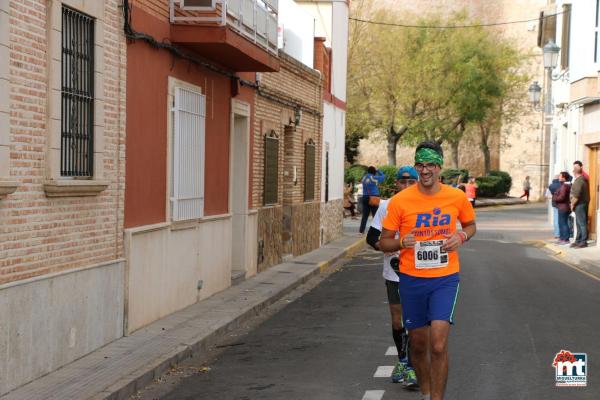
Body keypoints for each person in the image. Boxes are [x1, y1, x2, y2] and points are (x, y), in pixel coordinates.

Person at [379, 141, 476, 400]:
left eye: (430, 165)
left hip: (445, 278)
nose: (425, 170)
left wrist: (461, 237)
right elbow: (383, 242)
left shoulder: (456, 197)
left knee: (438, 343)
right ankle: (425, 392)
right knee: (419, 346)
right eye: (420, 165)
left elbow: (470, 225)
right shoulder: (400, 201)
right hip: (411, 280)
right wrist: (401, 242)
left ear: (439, 167)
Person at [366, 166, 419, 389]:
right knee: (398, 321)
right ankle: (403, 361)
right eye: (402, 182)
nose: (406, 186)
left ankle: (413, 367)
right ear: (396, 184)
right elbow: (371, 237)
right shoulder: (387, 206)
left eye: (410, 182)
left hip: (420, 272)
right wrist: (385, 247)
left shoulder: (424, 205)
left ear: (417, 183)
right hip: (394, 272)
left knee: (415, 321)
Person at [359, 166, 385, 234]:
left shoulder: (364, 178)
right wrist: (378, 170)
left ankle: (361, 231)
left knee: (365, 215)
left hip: (365, 197)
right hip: (373, 197)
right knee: (375, 215)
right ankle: (376, 232)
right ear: (374, 172)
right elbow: (383, 176)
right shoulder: (374, 178)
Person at [571, 161, 590, 248]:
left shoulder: (579, 181)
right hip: (581, 204)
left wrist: (572, 204)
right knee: (579, 223)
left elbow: (577, 195)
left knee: (582, 223)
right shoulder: (582, 179)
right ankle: (578, 240)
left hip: (580, 204)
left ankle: (583, 241)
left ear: (575, 173)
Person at [552, 172, 571, 245]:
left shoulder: (564, 186)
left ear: (563, 178)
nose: (559, 177)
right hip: (562, 207)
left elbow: (562, 197)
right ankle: (562, 238)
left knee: (563, 223)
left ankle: (565, 239)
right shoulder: (564, 185)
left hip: (563, 207)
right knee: (561, 223)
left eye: (560, 176)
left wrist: (555, 198)